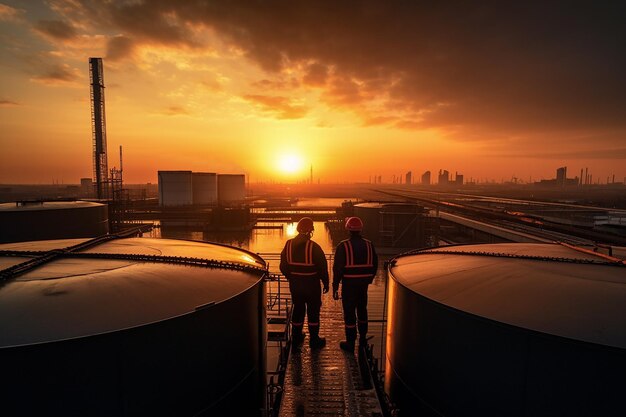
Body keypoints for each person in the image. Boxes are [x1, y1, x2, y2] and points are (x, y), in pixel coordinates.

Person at [280, 217, 329, 350]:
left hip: (295, 285)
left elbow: (283, 266)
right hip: (312, 285)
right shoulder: (314, 247)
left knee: (298, 309)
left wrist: (291, 276)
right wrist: (326, 283)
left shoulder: (288, 244)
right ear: (310, 231)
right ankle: (314, 340)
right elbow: (323, 268)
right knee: (313, 311)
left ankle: (296, 338)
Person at [332, 216, 378, 352]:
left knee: (350, 313)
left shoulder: (343, 246)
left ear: (348, 229)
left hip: (349, 286)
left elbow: (338, 269)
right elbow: (375, 265)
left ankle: (350, 343)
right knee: (362, 311)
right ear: (360, 229)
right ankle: (363, 339)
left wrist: (335, 287)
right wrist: (369, 279)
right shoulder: (369, 244)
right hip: (363, 286)